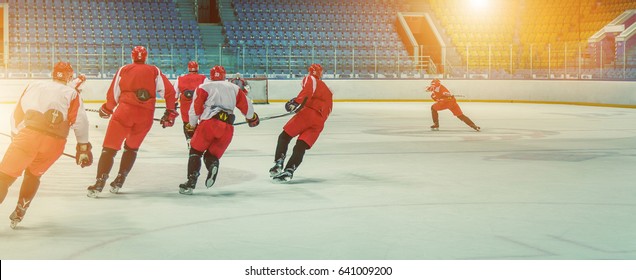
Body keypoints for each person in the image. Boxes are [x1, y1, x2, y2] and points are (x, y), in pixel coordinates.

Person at [0, 62, 93, 228]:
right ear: (69, 76)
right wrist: (83, 148)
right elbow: (81, 122)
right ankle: (21, 209)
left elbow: (17, 114)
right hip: (55, 143)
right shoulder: (72, 93)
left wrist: (16, 134)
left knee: (5, 176)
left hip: (28, 136)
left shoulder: (34, 84)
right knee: (33, 175)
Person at [87, 46, 177, 198]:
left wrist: (107, 109)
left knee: (109, 148)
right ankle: (120, 180)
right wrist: (169, 113)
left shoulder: (125, 69)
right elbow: (170, 92)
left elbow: (113, 95)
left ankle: (99, 182)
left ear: (132, 56)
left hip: (124, 113)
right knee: (131, 148)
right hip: (145, 116)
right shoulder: (154, 70)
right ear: (146, 56)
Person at [179, 65, 260, 195]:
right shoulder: (234, 88)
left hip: (208, 124)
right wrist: (252, 118)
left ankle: (191, 182)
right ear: (224, 75)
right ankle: (213, 165)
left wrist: (192, 125)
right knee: (211, 155)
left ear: (211, 75)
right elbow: (247, 106)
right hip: (227, 128)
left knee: (196, 151)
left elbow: (195, 109)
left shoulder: (204, 87)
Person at [269, 63, 333, 183]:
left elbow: (308, 90)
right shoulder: (327, 90)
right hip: (319, 122)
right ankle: (289, 170)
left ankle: (279, 163)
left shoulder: (311, 78)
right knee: (300, 146)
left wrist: (296, 102)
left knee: (284, 137)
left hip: (307, 115)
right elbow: (328, 109)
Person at [173, 61, 207, 146]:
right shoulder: (203, 78)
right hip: (199, 104)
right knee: (203, 122)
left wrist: (173, 106)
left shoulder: (180, 79)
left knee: (187, 122)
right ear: (197, 68)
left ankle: (189, 139)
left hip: (185, 105)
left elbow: (174, 95)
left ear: (188, 68)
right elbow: (208, 92)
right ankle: (201, 141)